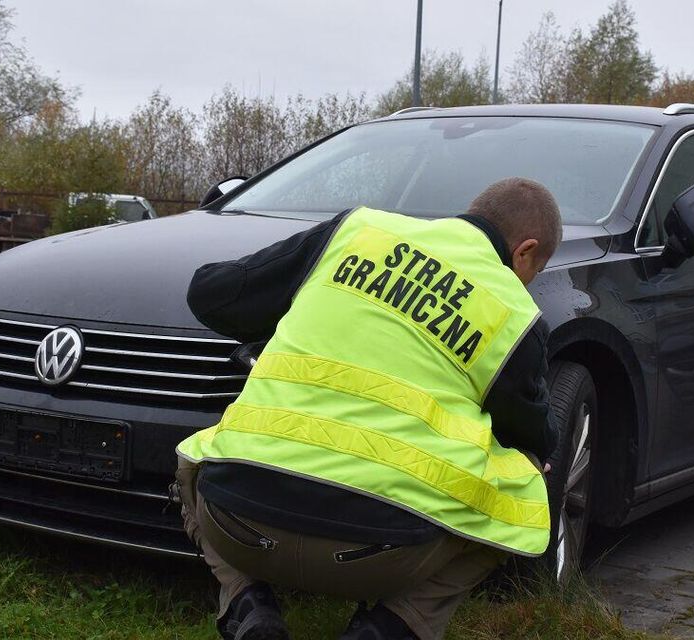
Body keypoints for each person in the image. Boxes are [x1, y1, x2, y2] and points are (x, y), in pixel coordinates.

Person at [174, 177, 562, 640]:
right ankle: (392, 626)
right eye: (535, 270)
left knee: (191, 456)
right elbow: (534, 435)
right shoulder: (513, 310)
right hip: (384, 555)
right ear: (525, 252)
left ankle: (246, 606)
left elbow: (212, 293)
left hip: (238, 524)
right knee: (527, 480)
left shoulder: (356, 231)